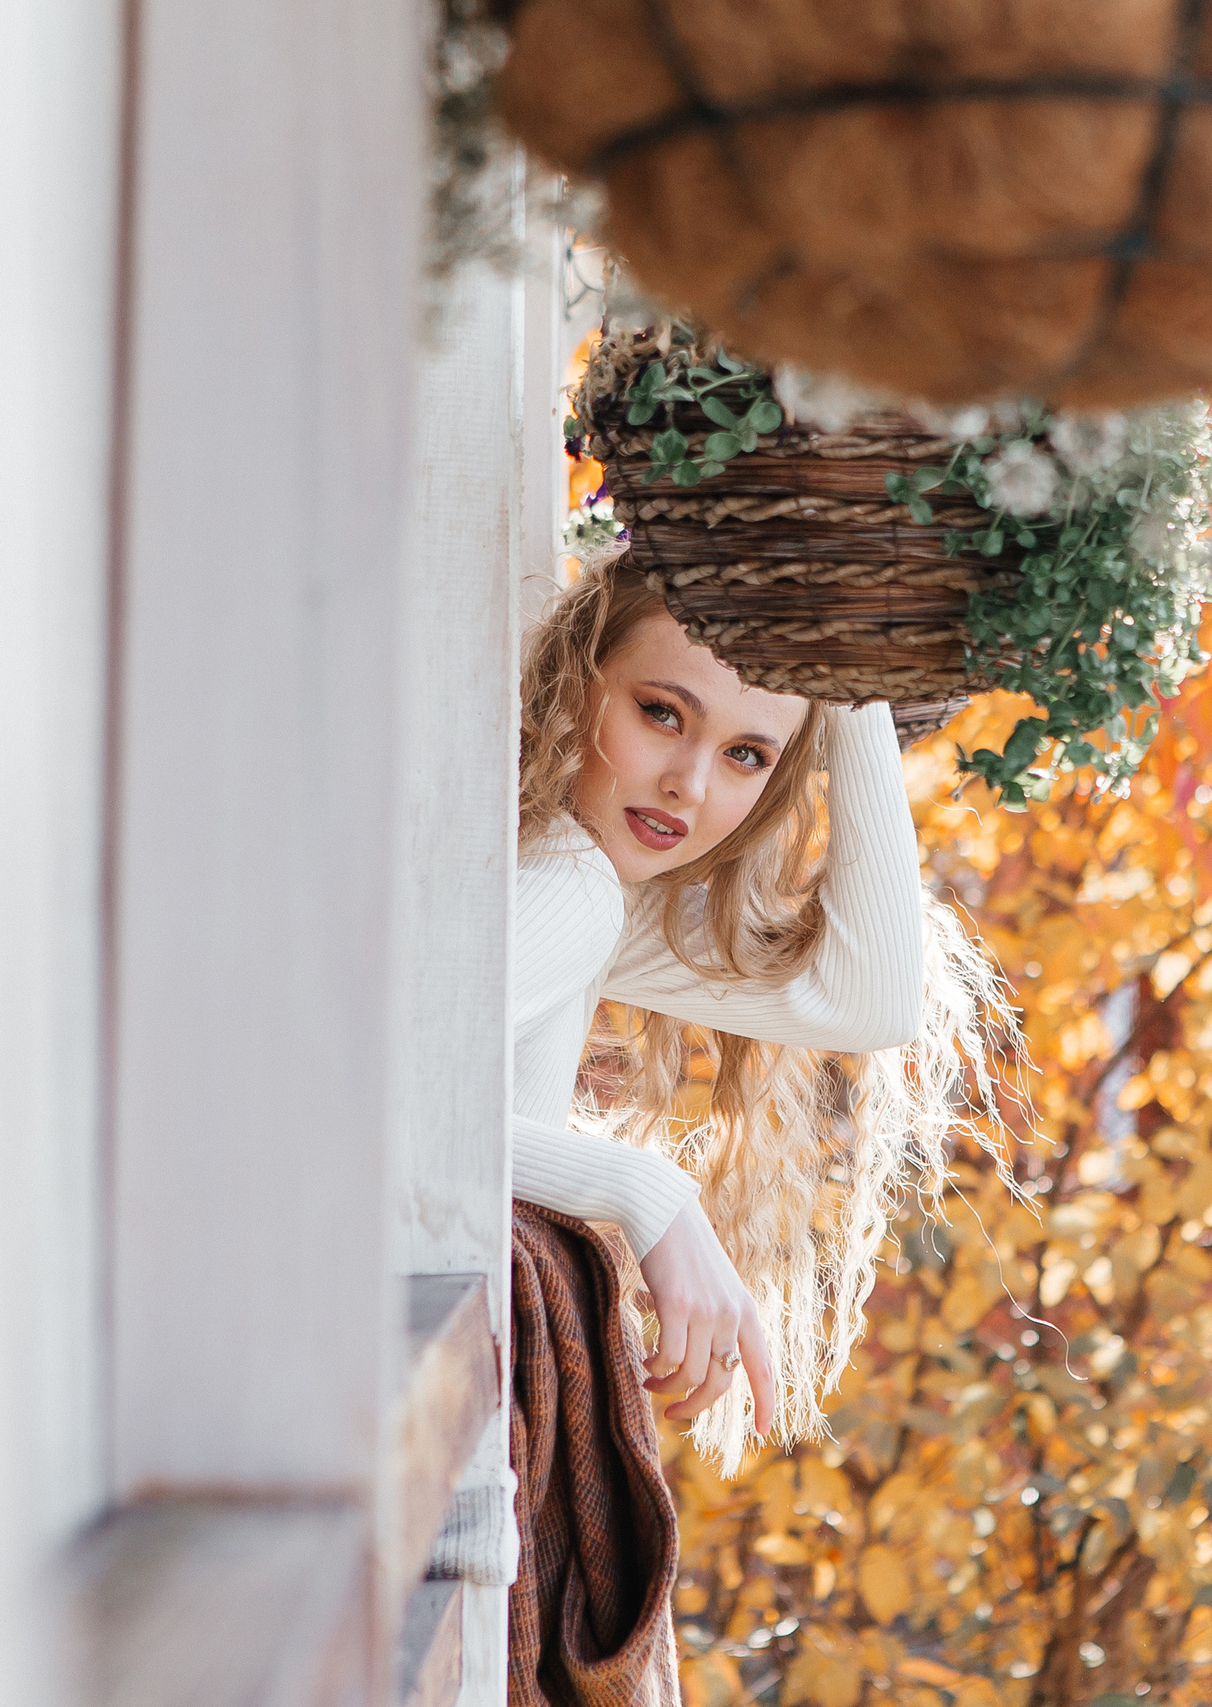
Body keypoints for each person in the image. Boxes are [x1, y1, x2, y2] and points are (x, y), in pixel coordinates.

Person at [437, 561, 1003, 1583]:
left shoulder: (573, 872)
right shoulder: (569, 884)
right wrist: (643, 1190)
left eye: (747, 755)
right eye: (662, 713)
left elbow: (866, 999)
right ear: (575, 678)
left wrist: (846, 687)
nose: (689, 786)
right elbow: (371, 1098)